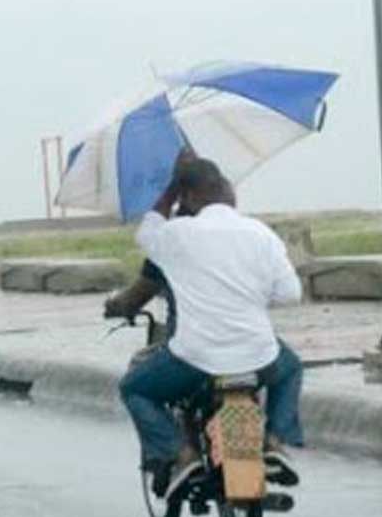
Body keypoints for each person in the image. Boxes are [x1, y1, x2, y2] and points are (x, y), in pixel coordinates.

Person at [118, 156, 304, 499]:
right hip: (258, 355)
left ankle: (182, 454)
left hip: (195, 357)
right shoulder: (261, 233)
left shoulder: (176, 235)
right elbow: (290, 294)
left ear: (185, 196)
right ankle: (275, 440)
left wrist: (168, 192)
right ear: (229, 193)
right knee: (290, 368)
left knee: (135, 389)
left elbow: (147, 234)